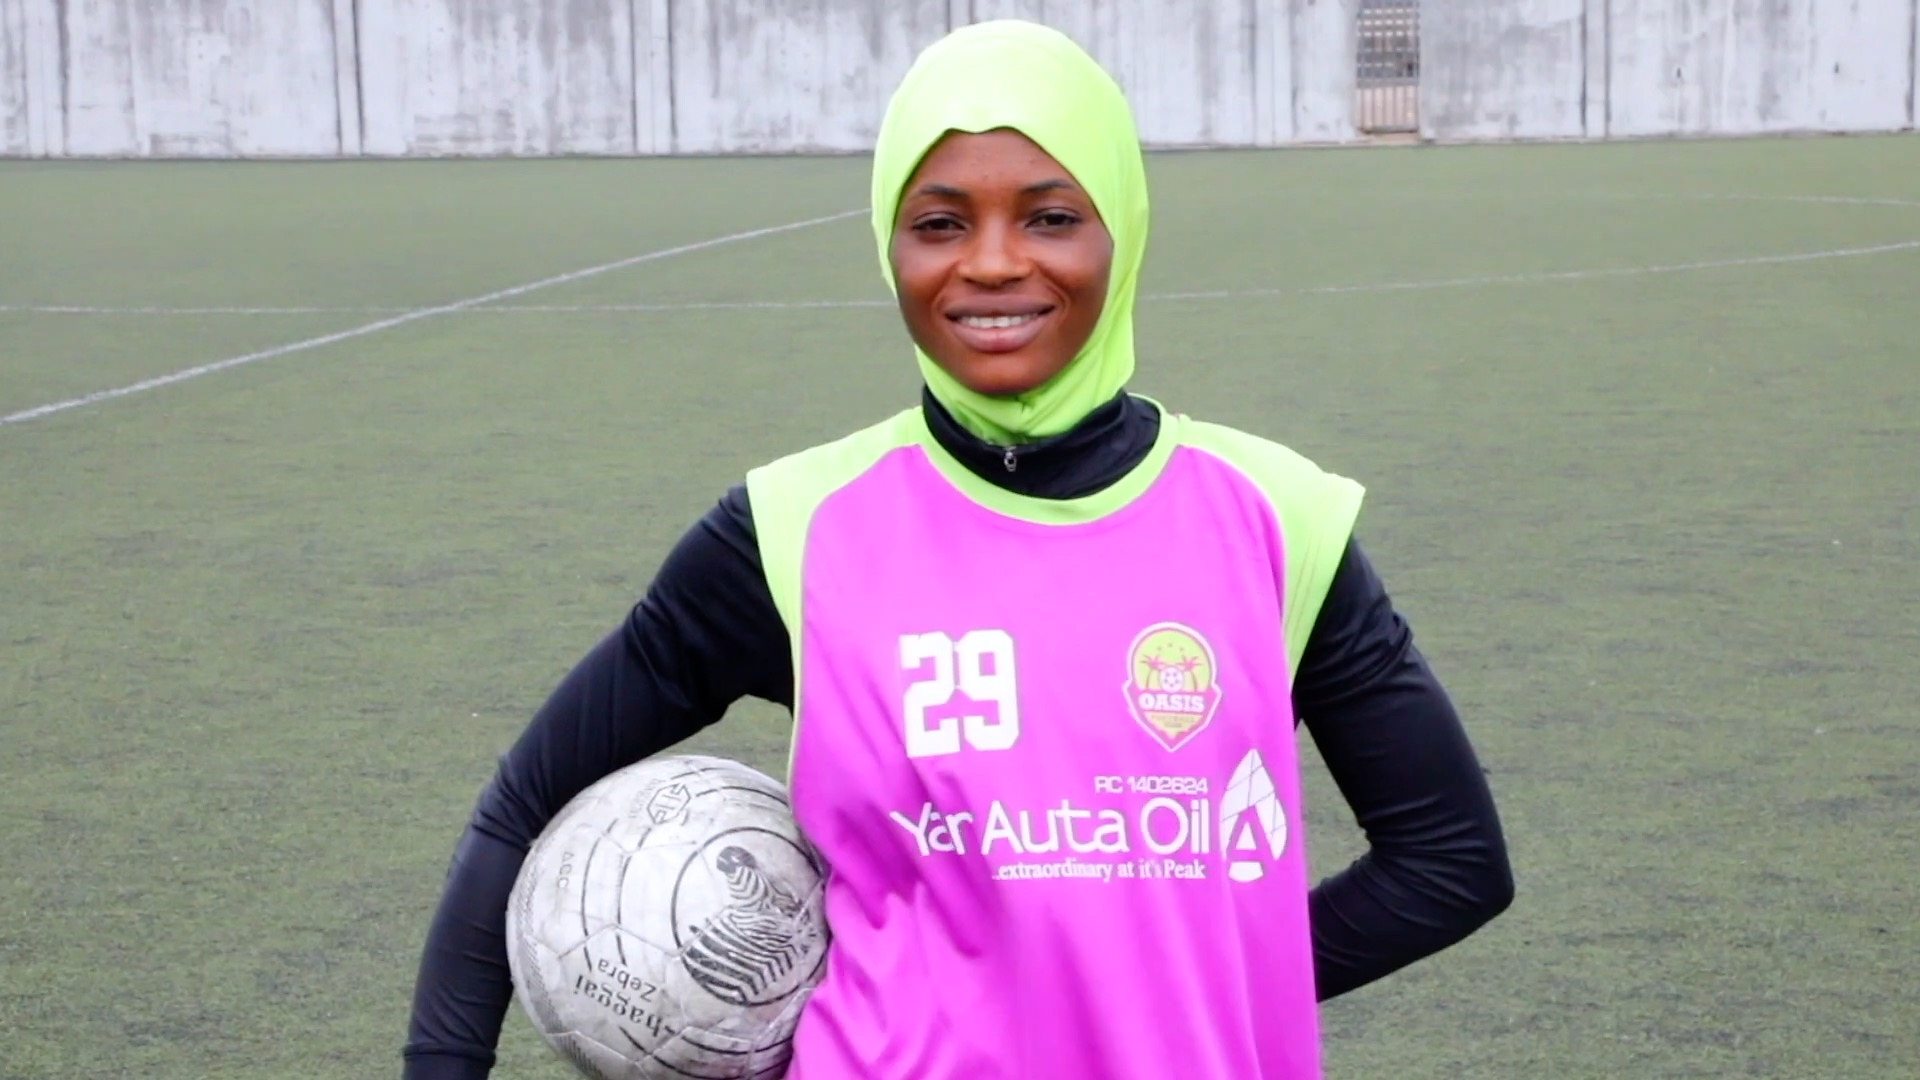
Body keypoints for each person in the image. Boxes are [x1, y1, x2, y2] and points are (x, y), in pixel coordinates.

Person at [404, 19, 1512, 1079]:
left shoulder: (1278, 520)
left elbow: (1452, 865)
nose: (989, 264)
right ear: (890, 244)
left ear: (1119, 228)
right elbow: (523, 805)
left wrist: (1194, 987)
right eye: (939, 223)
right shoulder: (794, 530)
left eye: (1048, 216)